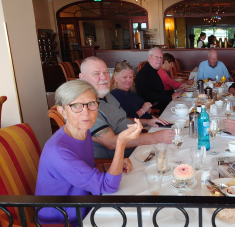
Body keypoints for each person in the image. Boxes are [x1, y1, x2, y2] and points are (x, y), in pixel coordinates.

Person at [35, 80, 142, 226]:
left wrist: (110, 165)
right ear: (62, 112)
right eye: (76, 106)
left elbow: (85, 169)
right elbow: (108, 186)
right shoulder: (59, 151)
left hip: (86, 203)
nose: (86, 113)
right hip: (65, 219)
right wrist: (121, 143)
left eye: (91, 103)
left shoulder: (83, 132)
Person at [79, 56, 172, 159]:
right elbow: (111, 143)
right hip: (121, 161)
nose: (104, 77)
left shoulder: (107, 96)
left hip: (138, 147)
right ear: (82, 77)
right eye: (96, 74)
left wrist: (147, 122)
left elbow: (122, 119)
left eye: (105, 72)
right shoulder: (84, 107)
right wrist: (154, 138)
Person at [135, 47, 181, 112]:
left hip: (161, 103)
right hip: (154, 109)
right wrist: (170, 97)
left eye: (161, 57)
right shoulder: (144, 73)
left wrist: (174, 92)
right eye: (156, 57)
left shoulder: (153, 71)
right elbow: (150, 95)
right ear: (149, 58)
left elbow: (160, 91)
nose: (159, 60)